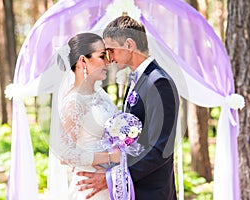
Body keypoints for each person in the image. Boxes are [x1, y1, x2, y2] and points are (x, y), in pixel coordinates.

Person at [77, 16, 180, 200]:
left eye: (111, 50)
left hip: (152, 191)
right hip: (135, 189)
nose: (109, 58)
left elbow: (160, 149)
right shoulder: (136, 79)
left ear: (129, 45)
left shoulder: (159, 83)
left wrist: (113, 178)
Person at [57, 32, 119, 199]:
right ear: (83, 61)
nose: (107, 62)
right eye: (101, 56)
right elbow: (64, 153)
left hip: (110, 182)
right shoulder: (74, 102)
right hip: (90, 185)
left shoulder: (100, 95)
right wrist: (111, 157)